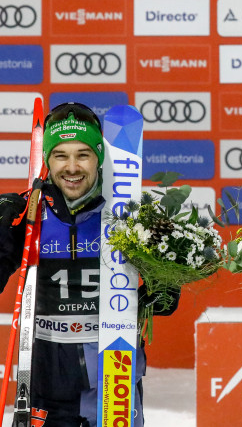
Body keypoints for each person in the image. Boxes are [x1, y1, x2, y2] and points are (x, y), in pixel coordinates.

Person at [0, 102, 178, 427]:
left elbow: (165, 299)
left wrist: (164, 286)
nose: (72, 167)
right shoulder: (26, 215)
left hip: (115, 378)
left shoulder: (129, 214)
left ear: (98, 157)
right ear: (47, 160)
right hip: (45, 385)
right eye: (60, 155)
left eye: (83, 154)